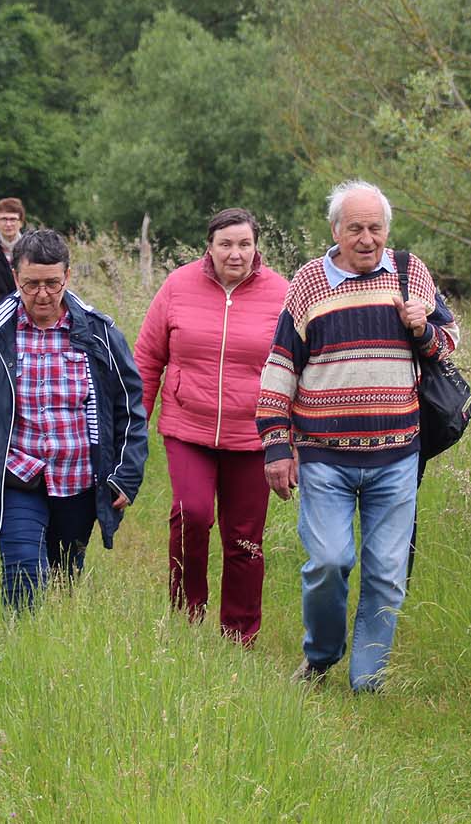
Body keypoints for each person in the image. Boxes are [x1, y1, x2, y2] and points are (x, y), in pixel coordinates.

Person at [256, 181, 460, 692]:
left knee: (387, 574)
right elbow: (281, 366)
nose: (366, 239)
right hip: (323, 456)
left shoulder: (411, 272)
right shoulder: (308, 283)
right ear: (335, 231)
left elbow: (451, 341)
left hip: (398, 454)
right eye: (355, 228)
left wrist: (424, 328)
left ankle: (367, 682)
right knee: (329, 562)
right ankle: (321, 657)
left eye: (375, 228)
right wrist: (276, 444)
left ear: (387, 230)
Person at [0, 230, 149, 611]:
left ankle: (53, 649)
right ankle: (18, 648)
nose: (42, 294)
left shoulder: (98, 332)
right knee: (23, 572)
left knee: (65, 576)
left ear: (67, 277)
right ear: (16, 278)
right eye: (30, 284)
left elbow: (130, 405)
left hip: (79, 477)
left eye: (52, 283)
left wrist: (127, 474)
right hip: (18, 472)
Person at [134, 208, 289, 644]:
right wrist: (134, 428)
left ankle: (238, 634)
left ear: (256, 248)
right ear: (210, 247)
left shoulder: (282, 293)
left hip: (253, 435)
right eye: (226, 244)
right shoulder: (178, 286)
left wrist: (288, 439)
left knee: (244, 540)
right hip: (188, 428)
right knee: (192, 514)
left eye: (244, 244)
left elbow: (297, 367)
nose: (235, 253)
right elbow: (147, 358)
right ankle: (186, 618)